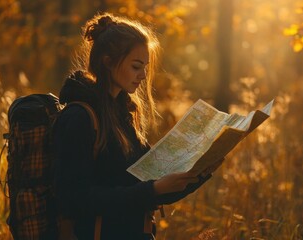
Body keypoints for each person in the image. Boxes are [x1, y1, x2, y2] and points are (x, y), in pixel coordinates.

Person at [53, 12, 222, 240]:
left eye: (145, 67)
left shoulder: (123, 115)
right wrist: (153, 189)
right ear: (108, 62)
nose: (143, 75)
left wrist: (198, 172)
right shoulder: (80, 118)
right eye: (135, 66)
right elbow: (75, 200)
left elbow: (150, 189)